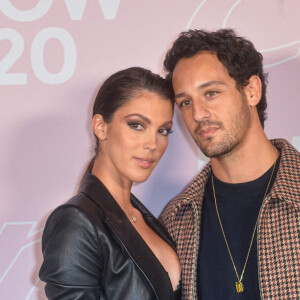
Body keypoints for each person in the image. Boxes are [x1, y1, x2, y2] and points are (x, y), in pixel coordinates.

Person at [159, 29, 300, 300]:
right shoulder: (177, 221)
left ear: (252, 91)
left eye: (211, 93)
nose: (198, 114)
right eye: (185, 102)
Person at [39, 67, 181, 300]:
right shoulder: (76, 221)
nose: (152, 143)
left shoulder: (144, 218)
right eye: (137, 125)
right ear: (100, 126)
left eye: (163, 130)